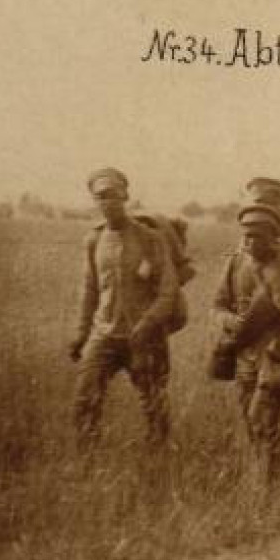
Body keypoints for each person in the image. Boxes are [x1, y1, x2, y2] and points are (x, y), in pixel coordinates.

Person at [70, 168, 179, 451]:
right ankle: (88, 459)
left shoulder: (150, 239)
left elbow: (168, 291)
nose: (106, 203)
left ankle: (159, 456)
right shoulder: (93, 240)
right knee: (85, 399)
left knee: (153, 401)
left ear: (125, 196)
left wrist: (149, 323)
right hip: (104, 334)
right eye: (99, 198)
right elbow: (90, 290)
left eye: (112, 196)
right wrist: (81, 334)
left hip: (143, 336)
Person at [212, 203, 280, 490]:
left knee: (260, 416)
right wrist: (233, 322)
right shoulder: (235, 262)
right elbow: (217, 307)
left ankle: (269, 480)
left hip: (278, 355)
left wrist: (275, 285)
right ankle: (272, 475)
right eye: (246, 235)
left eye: (257, 236)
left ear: (273, 236)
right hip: (245, 354)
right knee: (252, 422)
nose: (250, 241)